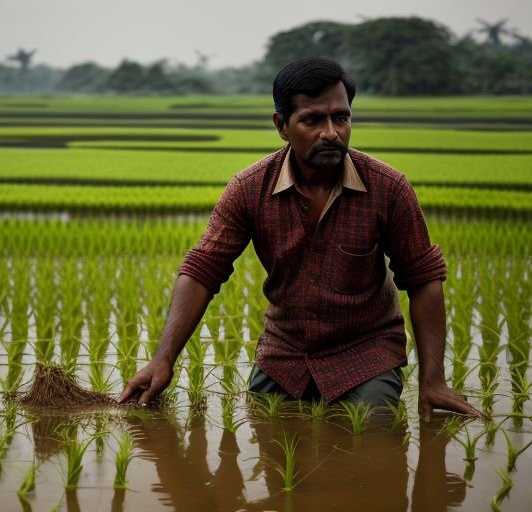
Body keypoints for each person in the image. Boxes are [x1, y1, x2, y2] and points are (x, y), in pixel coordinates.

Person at [118, 57, 481, 421]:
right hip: (284, 356)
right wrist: (162, 360)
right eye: (312, 120)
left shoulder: (388, 188)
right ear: (281, 125)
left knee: (373, 435)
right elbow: (203, 270)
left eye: (341, 117)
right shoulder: (249, 189)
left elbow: (423, 280)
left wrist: (433, 379)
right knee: (267, 435)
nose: (331, 133)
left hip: (365, 355)